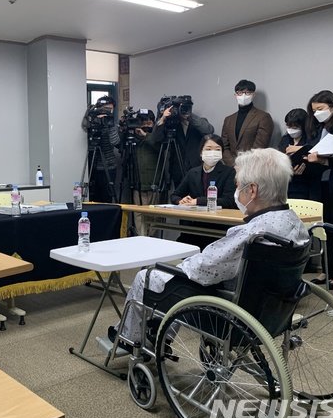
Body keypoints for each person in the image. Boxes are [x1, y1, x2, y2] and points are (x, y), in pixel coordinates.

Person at [109, 148, 309, 344]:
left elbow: (206, 268)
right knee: (175, 275)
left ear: (252, 190)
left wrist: (180, 266)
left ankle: (128, 337)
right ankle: (160, 337)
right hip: (270, 310)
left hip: (231, 310)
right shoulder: (295, 224)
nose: (237, 192)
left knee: (147, 276)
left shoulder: (252, 233)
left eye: (238, 186)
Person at [170, 134, 236, 249]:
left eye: (217, 149)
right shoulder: (193, 172)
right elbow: (175, 195)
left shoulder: (229, 172)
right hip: (193, 225)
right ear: (201, 152)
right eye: (208, 149)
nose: (213, 153)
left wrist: (197, 201)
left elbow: (229, 201)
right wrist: (181, 200)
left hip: (217, 227)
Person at [304, 90, 333, 287]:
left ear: (332, 107)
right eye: (314, 110)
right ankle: (327, 270)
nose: (317, 113)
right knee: (323, 226)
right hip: (319, 182)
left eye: (320, 109)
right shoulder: (318, 128)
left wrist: (323, 160)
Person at [151, 96, 214, 191]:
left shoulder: (197, 121)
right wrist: (162, 119)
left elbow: (209, 130)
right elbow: (156, 138)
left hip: (196, 168)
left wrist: (189, 117)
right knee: (179, 196)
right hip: (177, 169)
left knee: (196, 196)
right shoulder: (171, 123)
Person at [221, 79, 274, 167]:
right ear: (235, 95)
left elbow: (259, 148)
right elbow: (224, 146)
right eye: (240, 93)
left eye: (247, 93)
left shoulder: (263, 117)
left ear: (253, 95)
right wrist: (233, 164)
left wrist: (244, 166)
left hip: (252, 167)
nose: (243, 96)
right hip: (231, 168)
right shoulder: (228, 120)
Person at [81, 95, 120, 202]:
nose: (108, 111)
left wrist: (109, 124)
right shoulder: (92, 121)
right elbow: (84, 127)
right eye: (105, 109)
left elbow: (115, 142)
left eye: (111, 109)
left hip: (108, 166)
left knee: (107, 197)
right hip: (92, 165)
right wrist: (91, 115)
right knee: (92, 197)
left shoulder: (111, 123)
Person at [277, 108, 314, 200]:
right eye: (289, 126)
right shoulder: (285, 139)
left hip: (305, 185)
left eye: (295, 127)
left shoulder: (311, 140)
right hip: (286, 184)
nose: (291, 130)